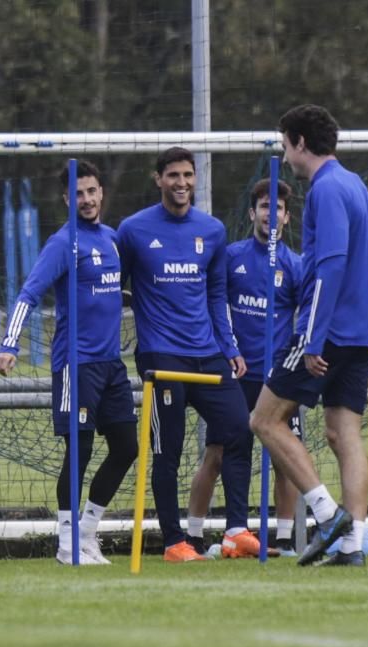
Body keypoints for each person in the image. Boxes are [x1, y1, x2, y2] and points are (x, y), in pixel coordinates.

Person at [250, 104, 368, 567]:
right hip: (362, 332)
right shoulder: (357, 186)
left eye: (285, 145)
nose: (284, 157)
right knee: (343, 433)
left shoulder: (326, 190)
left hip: (328, 332)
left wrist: (312, 338)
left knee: (264, 420)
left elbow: (330, 267)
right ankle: (351, 547)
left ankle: (327, 515)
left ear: (301, 142)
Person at [116, 147, 256, 562]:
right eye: (173, 175)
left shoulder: (211, 231)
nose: (181, 183)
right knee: (168, 449)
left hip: (208, 354)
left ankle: (235, 532)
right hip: (162, 359)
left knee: (239, 429)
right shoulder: (133, 230)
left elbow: (215, 295)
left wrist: (229, 347)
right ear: (158, 179)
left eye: (188, 175)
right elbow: (113, 286)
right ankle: (175, 541)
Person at [0, 160, 137, 565]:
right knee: (80, 449)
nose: (87, 199)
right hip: (76, 366)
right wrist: (10, 342)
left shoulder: (111, 239)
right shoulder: (63, 243)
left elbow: (112, 293)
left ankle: (87, 533)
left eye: (92, 191)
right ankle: (66, 544)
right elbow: (29, 292)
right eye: (78, 193)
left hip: (111, 366)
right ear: (66, 199)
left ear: (101, 193)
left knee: (127, 447)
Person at [186, 177, 305, 557]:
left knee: (285, 457)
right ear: (253, 212)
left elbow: (307, 318)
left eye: (279, 208)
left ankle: (284, 539)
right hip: (237, 376)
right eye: (265, 206)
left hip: (278, 380)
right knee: (218, 454)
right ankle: (193, 535)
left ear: (287, 218)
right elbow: (214, 304)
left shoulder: (295, 265)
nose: (272, 213)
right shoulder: (233, 256)